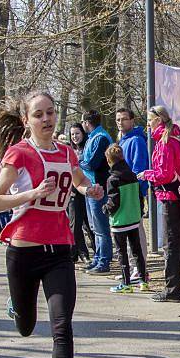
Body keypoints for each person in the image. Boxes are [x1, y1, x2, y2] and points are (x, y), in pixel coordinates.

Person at [0, 91, 103, 358]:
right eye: (39, 114)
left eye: (51, 113)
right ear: (27, 120)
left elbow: (79, 181)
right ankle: (16, 302)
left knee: (61, 327)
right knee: (26, 326)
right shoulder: (19, 153)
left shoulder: (68, 152)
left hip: (59, 251)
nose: (47, 119)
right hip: (24, 250)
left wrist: (90, 190)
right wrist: (31, 194)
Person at [141, 105, 180, 302]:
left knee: (171, 245)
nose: (147, 125)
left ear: (158, 120)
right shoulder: (175, 139)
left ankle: (172, 289)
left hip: (170, 199)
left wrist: (146, 174)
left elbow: (165, 175)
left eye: (149, 121)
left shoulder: (165, 142)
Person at [102, 144, 148, 293]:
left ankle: (126, 283)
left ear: (109, 160)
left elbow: (113, 202)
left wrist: (105, 209)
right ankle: (143, 281)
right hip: (134, 218)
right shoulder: (132, 174)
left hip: (120, 221)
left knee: (122, 252)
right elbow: (139, 196)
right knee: (137, 251)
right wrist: (139, 211)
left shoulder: (112, 179)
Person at [116, 107, 150, 284]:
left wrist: (135, 189)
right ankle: (131, 267)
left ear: (132, 120)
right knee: (126, 230)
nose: (120, 123)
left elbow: (139, 167)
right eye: (118, 120)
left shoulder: (136, 140)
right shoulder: (121, 140)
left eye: (124, 119)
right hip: (122, 191)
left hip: (132, 191)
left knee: (136, 230)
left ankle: (140, 267)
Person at [80, 110, 114, 274]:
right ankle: (98, 258)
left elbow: (92, 163)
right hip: (91, 187)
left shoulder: (100, 138)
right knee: (95, 227)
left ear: (87, 122)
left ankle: (104, 261)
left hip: (99, 187)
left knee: (101, 227)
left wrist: (80, 161)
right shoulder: (93, 137)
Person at [67, 123, 94, 263]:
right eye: (72, 134)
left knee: (89, 225)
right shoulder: (69, 151)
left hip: (88, 188)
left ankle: (97, 250)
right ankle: (82, 253)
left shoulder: (87, 148)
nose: (75, 137)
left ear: (83, 134)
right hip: (73, 191)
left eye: (77, 133)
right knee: (75, 223)